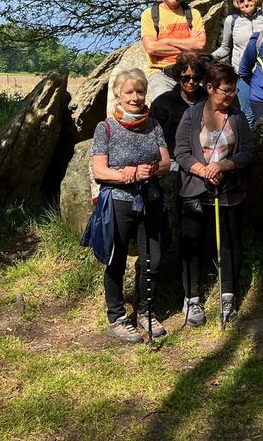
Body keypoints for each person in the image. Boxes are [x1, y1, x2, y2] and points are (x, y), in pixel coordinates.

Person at [90, 68, 171, 343]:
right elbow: (99, 170)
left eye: (139, 91)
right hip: (119, 202)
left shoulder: (154, 125)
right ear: (118, 95)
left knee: (153, 259)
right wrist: (127, 173)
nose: (135, 97)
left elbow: (166, 162)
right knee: (117, 260)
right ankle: (117, 317)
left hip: (151, 199)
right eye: (129, 92)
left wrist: (152, 170)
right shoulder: (106, 128)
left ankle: (146, 312)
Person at [174, 62, 255, 327]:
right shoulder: (192, 115)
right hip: (196, 190)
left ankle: (228, 296)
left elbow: (246, 153)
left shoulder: (237, 117)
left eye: (232, 90)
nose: (231, 95)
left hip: (230, 188)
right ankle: (192, 298)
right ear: (209, 88)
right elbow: (182, 152)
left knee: (230, 243)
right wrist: (204, 170)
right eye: (226, 91)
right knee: (192, 244)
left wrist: (223, 166)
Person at [140, 0, 206, 102]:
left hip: (191, 73)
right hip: (162, 74)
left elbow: (200, 44)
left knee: (198, 113)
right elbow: (151, 48)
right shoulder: (150, 15)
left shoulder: (193, 14)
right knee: (164, 110)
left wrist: (167, 41)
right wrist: (189, 48)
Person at [213, 0, 263, 125]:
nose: (246, 3)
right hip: (242, 75)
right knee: (248, 113)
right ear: (237, 3)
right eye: (241, 1)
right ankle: (248, 146)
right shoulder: (232, 20)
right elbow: (225, 48)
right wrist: (210, 57)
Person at [150, 51, 209, 163]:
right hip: (172, 160)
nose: (191, 82)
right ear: (177, 77)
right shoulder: (162, 103)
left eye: (196, 78)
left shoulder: (209, 102)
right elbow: (152, 137)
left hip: (204, 158)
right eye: (186, 78)